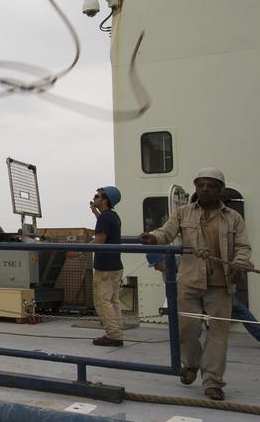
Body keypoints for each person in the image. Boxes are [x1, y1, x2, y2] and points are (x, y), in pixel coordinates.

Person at [140, 166, 251, 400]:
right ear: (196, 186)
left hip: (221, 284)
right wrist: (152, 238)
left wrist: (239, 264)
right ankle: (190, 364)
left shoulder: (234, 218)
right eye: (201, 185)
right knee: (186, 329)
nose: (205, 189)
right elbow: (166, 233)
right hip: (189, 281)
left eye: (211, 186)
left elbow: (243, 247)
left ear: (220, 190)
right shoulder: (183, 213)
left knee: (218, 334)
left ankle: (212, 381)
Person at [89, 185, 124, 346]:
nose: (95, 197)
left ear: (105, 200)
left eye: (98, 196)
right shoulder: (113, 216)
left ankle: (113, 335)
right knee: (113, 300)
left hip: (105, 268)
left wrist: (78, 251)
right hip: (116, 265)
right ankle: (117, 331)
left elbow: (100, 240)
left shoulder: (105, 218)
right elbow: (106, 229)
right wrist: (96, 213)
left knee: (103, 301)